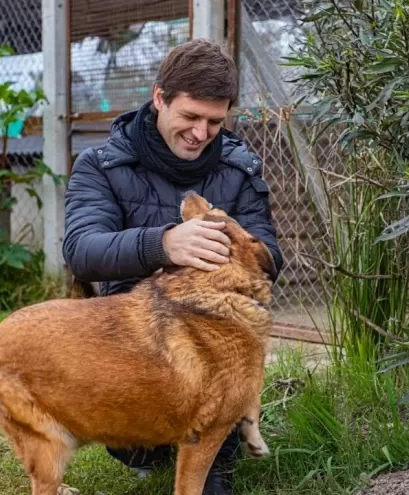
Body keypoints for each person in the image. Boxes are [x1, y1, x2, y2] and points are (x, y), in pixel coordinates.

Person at [61, 38, 283, 495]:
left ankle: (214, 451)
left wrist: (231, 249)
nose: (201, 133)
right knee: (137, 438)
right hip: (135, 339)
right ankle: (143, 444)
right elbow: (80, 249)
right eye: (190, 117)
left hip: (208, 344)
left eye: (215, 122)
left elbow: (270, 258)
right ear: (159, 97)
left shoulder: (239, 169)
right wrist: (162, 244)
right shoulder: (101, 165)